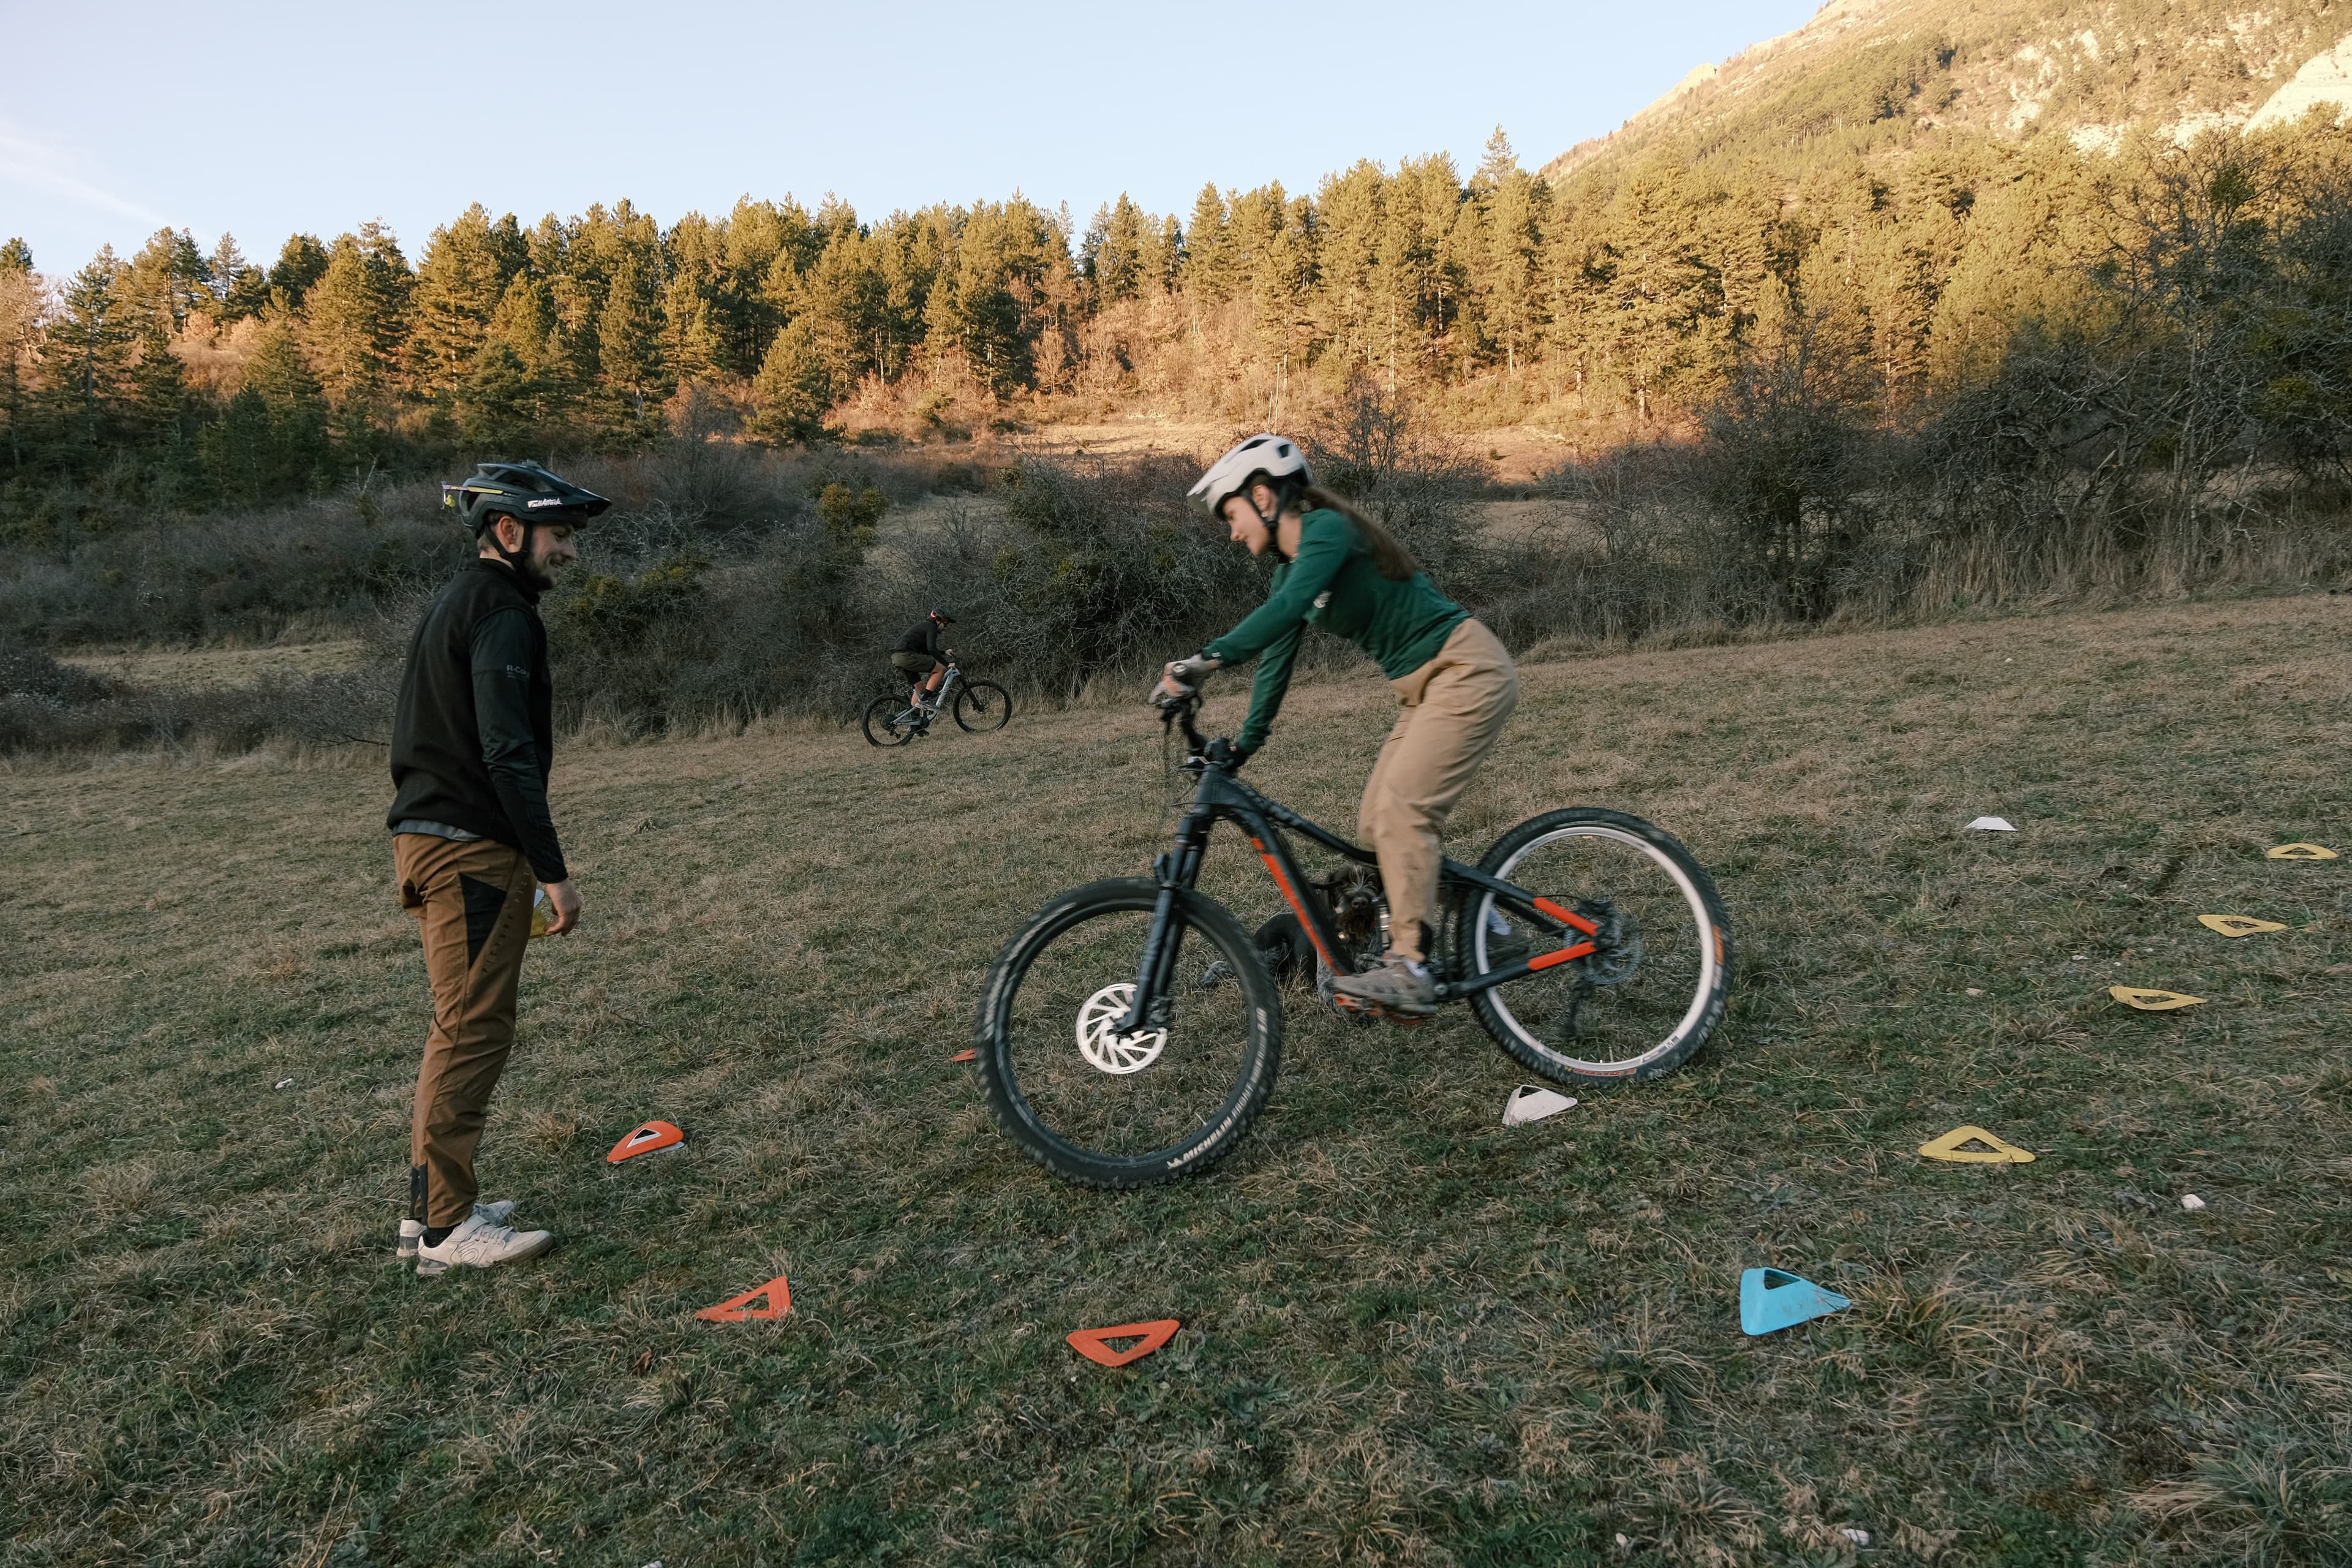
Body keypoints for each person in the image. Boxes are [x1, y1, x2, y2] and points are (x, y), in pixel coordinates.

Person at [1156, 434, 1519, 1020]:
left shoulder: (1325, 531)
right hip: (1422, 689)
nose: (1231, 531)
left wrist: (1203, 660)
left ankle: (1410, 967)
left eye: (1231, 515)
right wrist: (1243, 745)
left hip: (1466, 668)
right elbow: (1275, 659)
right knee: (1376, 826)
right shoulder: (1290, 575)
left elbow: (1280, 611)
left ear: (1264, 496)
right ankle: (1489, 921)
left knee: (1403, 814)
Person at [387, 459, 608, 1275]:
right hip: (470, 852)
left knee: (463, 1025)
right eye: (559, 536)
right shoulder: (503, 612)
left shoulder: (458, 601)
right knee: (472, 1029)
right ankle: (446, 1230)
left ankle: (430, 1216)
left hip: (433, 839)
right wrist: (554, 870)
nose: (570, 553)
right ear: (507, 531)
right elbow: (507, 751)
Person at [890, 609, 957, 714]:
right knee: (940, 670)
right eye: (945, 624)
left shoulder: (924, 626)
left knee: (920, 690)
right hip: (906, 655)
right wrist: (947, 664)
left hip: (897, 657)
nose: (946, 627)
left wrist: (944, 652)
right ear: (938, 620)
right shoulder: (932, 628)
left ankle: (915, 725)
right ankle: (925, 702)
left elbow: (925, 650)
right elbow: (931, 649)